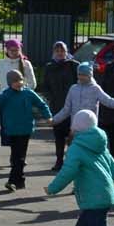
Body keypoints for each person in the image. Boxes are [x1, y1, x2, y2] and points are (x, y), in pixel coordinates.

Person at [0, 67, 51, 192]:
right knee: (18, 157)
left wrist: (48, 116)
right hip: (12, 129)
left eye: (20, 80)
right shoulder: (7, 94)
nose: (18, 83)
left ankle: (12, 181)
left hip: (25, 129)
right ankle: (20, 181)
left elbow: (41, 104)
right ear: (10, 83)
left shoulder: (28, 93)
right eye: (15, 81)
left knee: (18, 157)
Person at [39, 41, 81, 169]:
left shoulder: (74, 65)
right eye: (57, 51)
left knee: (73, 135)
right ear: (54, 52)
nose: (60, 53)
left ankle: (72, 161)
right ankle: (59, 161)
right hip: (56, 106)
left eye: (62, 50)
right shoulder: (49, 67)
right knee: (58, 135)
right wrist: (50, 97)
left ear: (66, 52)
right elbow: (45, 86)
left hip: (73, 107)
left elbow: (80, 83)